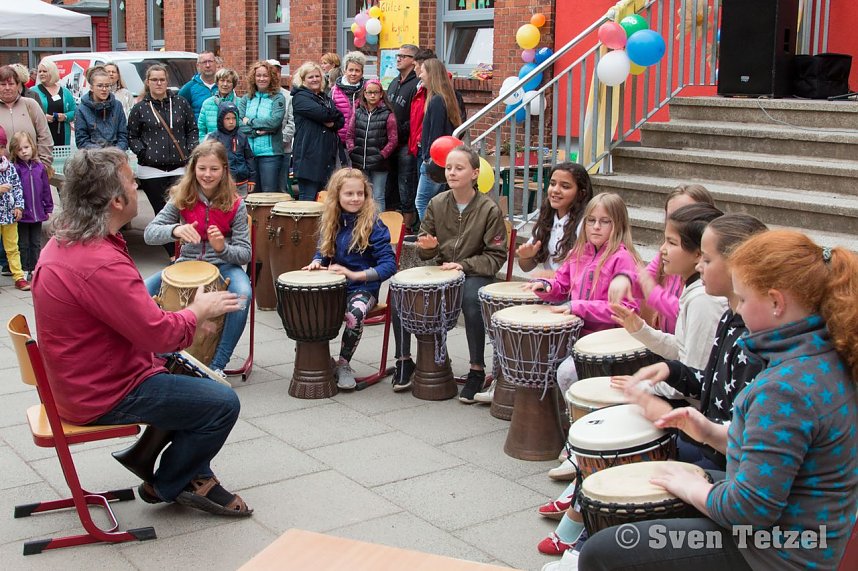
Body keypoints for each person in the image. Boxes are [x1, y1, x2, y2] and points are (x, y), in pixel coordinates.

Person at [573, 230, 858, 571]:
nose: (737, 309)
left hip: (774, 552)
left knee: (602, 551)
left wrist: (694, 488)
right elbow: (780, 450)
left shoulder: (786, 389)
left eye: (742, 299)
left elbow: (747, 511)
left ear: (776, 303)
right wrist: (709, 432)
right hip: (805, 535)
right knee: (660, 489)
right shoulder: (826, 354)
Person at [31, 147, 251, 517]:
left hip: (81, 377)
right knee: (222, 403)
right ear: (116, 201)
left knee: (184, 369)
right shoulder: (99, 262)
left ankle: (162, 461)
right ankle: (169, 482)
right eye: (132, 181)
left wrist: (183, 321)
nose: (137, 186)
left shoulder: (65, 242)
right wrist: (197, 311)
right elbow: (159, 335)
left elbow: (132, 322)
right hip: (102, 391)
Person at [612, 214, 769, 469]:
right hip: (709, 444)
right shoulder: (730, 317)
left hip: (721, 460)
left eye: (706, 259)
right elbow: (714, 384)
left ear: (736, 266)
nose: (699, 266)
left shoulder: (749, 338)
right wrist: (671, 370)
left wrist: (664, 410)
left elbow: (740, 436)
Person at [392, 145, 507, 399]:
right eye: (448, 168)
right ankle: (404, 360)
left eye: (459, 168)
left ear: (475, 173)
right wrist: (428, 248)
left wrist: (464, 265)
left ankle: (476, 369)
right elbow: (425, 249)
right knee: (400, 292)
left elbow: (496, 256)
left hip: (475, 273)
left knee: (471, 299)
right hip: (442, 270)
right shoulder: (437, 203)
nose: (451, 173)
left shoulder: (489, 209)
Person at [143, 140, 252, 378]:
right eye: (202, 168)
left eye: (214, 169)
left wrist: (222, 248)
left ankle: (218, 364)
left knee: (243, 295)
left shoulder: (236, 204)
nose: (207, 174)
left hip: (225, 266)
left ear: (224, 170)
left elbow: (245, 253)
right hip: (187, 265)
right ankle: (160, 356)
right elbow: (149, 234)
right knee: (140, 292)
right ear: (193, 168)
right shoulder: (182, 197)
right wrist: (175, 230)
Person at [303, 168, 396, 389]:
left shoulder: (373, 224)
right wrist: (317, 262)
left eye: (360, 193)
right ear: (337, 196)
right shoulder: (331, 220)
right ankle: (319, 358)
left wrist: (354, 274)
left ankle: (344, 364)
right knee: (306, 308)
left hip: (363, 288)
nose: (355, 198)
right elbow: (323, 252)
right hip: (336, 287)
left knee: (355, 313)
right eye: (349, 194)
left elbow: (389, 265)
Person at [610, 203, 727, 371]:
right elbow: (681, 349)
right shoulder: (693, 286)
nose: (662, 249)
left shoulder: (703, 300)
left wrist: (648, 382)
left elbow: (695, 373)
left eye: (671, 242)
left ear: (698, 253)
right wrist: (640, 329)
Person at [524, 193, 642, 337]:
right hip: (576, 332)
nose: (596, 226)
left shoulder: (623, 259)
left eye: (605, 221)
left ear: (618, 225)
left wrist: (578, 307)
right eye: (591, 220)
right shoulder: (577, 253)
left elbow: (626, 309)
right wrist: (546, 286)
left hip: (608, 338)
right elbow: (562, 285)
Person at [610, 184, 715, 334]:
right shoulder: (669, 254)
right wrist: (625, 278)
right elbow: (644, 279)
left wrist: (654, 293)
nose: (677, 221)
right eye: (671, 216)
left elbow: (686, 313)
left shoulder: (707, 275)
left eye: (686, 214)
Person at [128, 64, 198, 257]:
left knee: (184, 210)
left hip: (179, 168)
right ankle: (173, 253)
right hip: (151, 171)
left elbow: (192, 129)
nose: (158, 83)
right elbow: (132, 136)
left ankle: (186, 250)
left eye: (162, 79)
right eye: (154, 80)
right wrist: (144, 153)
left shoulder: (181, 103)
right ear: (147, 82)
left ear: (167, 81)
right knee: (162, 213)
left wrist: (190, 150)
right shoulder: (140, 108)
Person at [516, 162, 593, 277]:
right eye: (552, 184)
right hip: (550, 285)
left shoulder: (585, 224)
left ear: (581, 193)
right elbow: (526, 267)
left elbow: (586, 273)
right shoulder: (548, 218)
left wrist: (551, 276)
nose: (555, 190)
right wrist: (526, 256)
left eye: (565, 186)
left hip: (573, 288)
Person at [414, 59, 466, 220]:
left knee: (422, 202)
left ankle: (430, 232)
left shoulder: (437, 100)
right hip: (443, 160)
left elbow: (435, 133)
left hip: (435, 160)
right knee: (437, 204)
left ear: (431, 74)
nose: (420, 75)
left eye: (423, 71)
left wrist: (427, 159)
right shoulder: (447, 97)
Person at [291, 62, 344, 201]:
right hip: (309, 157)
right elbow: (323, 114)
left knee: (325, 200)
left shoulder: (324, 97)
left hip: (326, 158)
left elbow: (341, 120)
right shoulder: (300, 98)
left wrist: (332, 121)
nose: (315, 79)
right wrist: (330, 117)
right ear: (303, 80)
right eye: (310, 77)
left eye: (317, 76)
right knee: (308, 201)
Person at [345, 80, 398, 210]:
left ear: (381, 94)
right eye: (369, 92)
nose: (372, 95)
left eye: (376, 92)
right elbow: (350, 135)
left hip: (379, 164)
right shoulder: (358, 112)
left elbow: (393, 140)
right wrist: (352, 150)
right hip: (359, 162)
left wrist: (382, 155)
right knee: (361, 195)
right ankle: (362, 220)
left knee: (378, 196)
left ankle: (378, 222)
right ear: (364, 94)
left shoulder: (388, 114)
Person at [384, 43, 420, 229]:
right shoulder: (393, 82)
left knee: (406, 185)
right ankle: (391, 226)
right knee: (390, 184)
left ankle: (407, 228)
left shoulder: (416, 84)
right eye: (397, 55)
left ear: (413, 61)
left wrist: (397, 132)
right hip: (391, 143)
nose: (398, 59)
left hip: (406, 143)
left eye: (403, 56)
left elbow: (415, 118)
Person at [237, 60, 286, 193]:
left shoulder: (278, 98)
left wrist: (250, 121)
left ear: (271, 78)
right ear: (253, 78)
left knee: (268, 193)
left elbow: (274, 122)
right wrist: (256, 132)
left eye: (265, 75)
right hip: (248, 154)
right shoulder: (246, 99)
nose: (262, 79)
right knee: (251, 194)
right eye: (258, 75)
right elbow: (238, 123)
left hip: (270, 155)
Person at [10, 130, 52, 282]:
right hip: (22, 214)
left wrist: (48, 207)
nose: (24, 151)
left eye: (26, 147)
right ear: (15, 151)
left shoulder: (39, 167)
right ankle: (24, 268)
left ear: (32, 147)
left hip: (38, 213)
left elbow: (46, 189)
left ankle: (35, 268)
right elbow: (14, 190)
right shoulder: (15, 168)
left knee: (36, 242)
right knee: (23, 243)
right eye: (19, 149)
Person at [0, 65, 53, 166]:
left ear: (18, 85)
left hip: (32, 169)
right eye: (3, 84)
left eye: (11, 84)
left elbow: (45, 136)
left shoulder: (31, 105)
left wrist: (43, 165)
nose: (7, 88)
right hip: (3, 171)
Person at [206, 101, 255, 197]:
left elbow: (249, 158)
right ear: (221, 120)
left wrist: (252, 179)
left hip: (242, 182)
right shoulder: (214, 138)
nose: (231, 122)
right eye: (227, 118)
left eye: (234, 118)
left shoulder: (242, 136)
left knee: (241, 204)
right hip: (223, 183)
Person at [0, 126, 28, 290]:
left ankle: (18, 276)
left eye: (2, 147)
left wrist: (19, 206)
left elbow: (17, 187)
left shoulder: (9, 167)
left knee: (12, 247)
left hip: (9, 215)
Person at [75, 67, 128, 150]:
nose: (104, 89)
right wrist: (102, 153)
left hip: (116, 154)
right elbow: (82, 141)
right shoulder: (81, 109)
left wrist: (115, 151)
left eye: (107, 86)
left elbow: (123, 135)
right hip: (93, 155)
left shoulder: (117, 106)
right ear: (91, 87)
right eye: (100, 86)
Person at [267, 59, 295, 195]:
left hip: (284, 149)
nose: (275, 75)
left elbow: (292, 122)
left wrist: (281, 140)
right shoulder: (257, 96)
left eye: (277, 71)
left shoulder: (289, 96)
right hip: (262, 150)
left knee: (282, 188)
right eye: (271, 71)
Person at [33, 59, 76, 148]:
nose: (41, 74)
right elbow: (28, 113)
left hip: (63, 135)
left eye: (44, 71)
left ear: (52, 72)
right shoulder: (33, 91)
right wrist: (43, 117)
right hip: (42, 135)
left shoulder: (65, 91)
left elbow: (75, 111)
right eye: (39, 71)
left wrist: (65, 116)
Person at [331, 51, 366, 146]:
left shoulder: (367, 90)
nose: (353, 73)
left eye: (357, 70)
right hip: (338, 142)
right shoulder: (334, 91)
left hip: (360, 142)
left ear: (362, 73)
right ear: (345, 71)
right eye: (350, 70)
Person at [197, 68, 238, 141]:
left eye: (228, 81)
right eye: (222, 80)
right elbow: (201, 129)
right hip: (212, 146)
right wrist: (205, 143)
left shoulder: (240, 103)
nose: (225, 84)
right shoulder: (207, 104)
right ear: (217, 83)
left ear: (233, 84)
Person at [178, 51, 219, 121]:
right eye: (204, 62)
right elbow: (180, 112)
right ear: (198, 66)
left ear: (216, 63)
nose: (208, 65)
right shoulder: (189, 88)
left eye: (210, 61)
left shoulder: (224, 85)